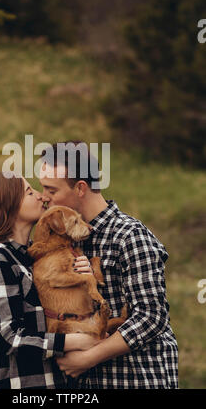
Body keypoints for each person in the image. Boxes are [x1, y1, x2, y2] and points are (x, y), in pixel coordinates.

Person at [38, 141, 179, 389]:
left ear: (81, 188)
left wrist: (88, 358)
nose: (43, 197)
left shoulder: (129, 236)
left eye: (51, 190)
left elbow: (151, 316)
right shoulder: (61, 240)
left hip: (134, 379)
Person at [0, 172, 100, 389]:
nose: (41, 196)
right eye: (29, 192)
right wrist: (76, 341)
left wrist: (85, 275)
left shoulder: (32, 256)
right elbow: (8, 336)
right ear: (8, 205)